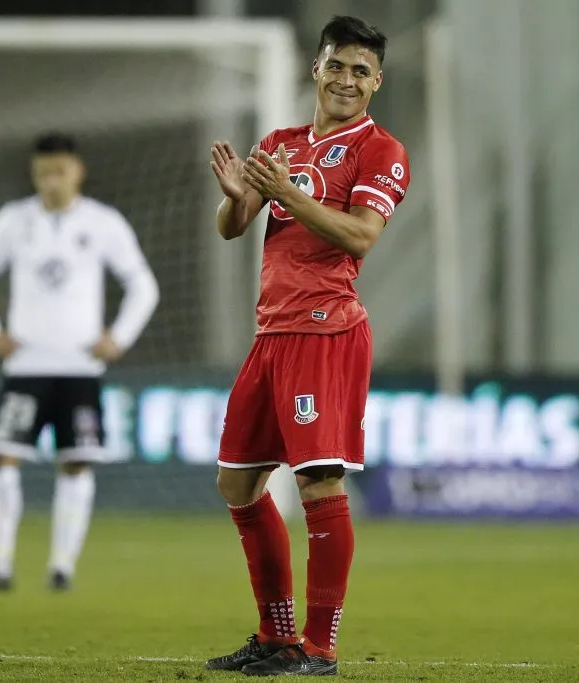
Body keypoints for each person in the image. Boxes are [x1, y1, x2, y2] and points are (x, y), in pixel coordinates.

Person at [204, 16, 411, 676]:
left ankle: (318, 648)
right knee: (236, 483)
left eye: (360, 70)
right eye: (337, 65)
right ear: (316, 69)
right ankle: (276, 634)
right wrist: (239, 200)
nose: (346, 79)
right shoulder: (282, 142)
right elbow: (234, 228)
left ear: (376, 82)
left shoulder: (381, 150)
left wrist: (286, 190)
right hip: (272, 332)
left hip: (326, 331)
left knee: (319, 483)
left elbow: (360, 236)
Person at [0, 132, 159, 592]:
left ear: (78, 171)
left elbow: (143, 284)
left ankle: (61, 567)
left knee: (76, 465)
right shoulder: (14, 220)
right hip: (24, 367)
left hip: (80, 370)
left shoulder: (103, 223)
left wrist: (118, 337)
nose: (51, 181)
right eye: (43, 173)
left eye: (60, 171)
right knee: (1, 459)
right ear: (34, 174)